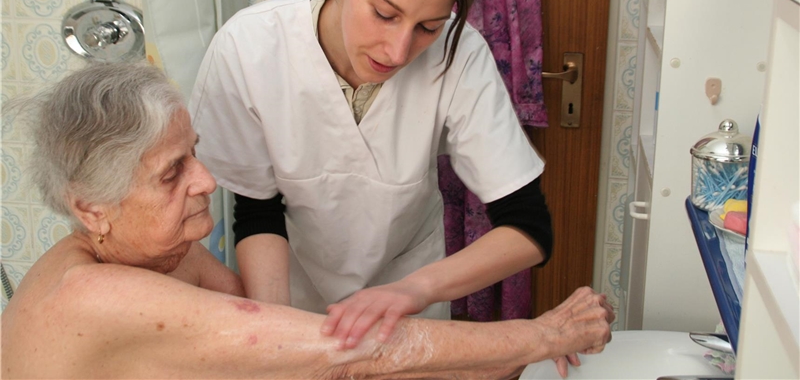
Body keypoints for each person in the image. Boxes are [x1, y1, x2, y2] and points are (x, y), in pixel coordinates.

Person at [0, 62, 614, 379]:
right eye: (172, 173)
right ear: (91, 209)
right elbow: (355, 354)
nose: (207, 181)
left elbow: (280, 353)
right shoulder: (92, 295)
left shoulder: (158, 249)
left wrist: (487, 359)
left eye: (195, 153)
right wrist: (546, 336)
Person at [190, 0, 562, 353]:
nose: (399, 50)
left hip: (408, 313)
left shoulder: (459, 53)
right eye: (384, 14)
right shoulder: (250, 46)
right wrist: (277, 338)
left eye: (428, 26)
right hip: (295, 302)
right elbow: (258, 213)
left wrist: (415, 290)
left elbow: (529, 229)